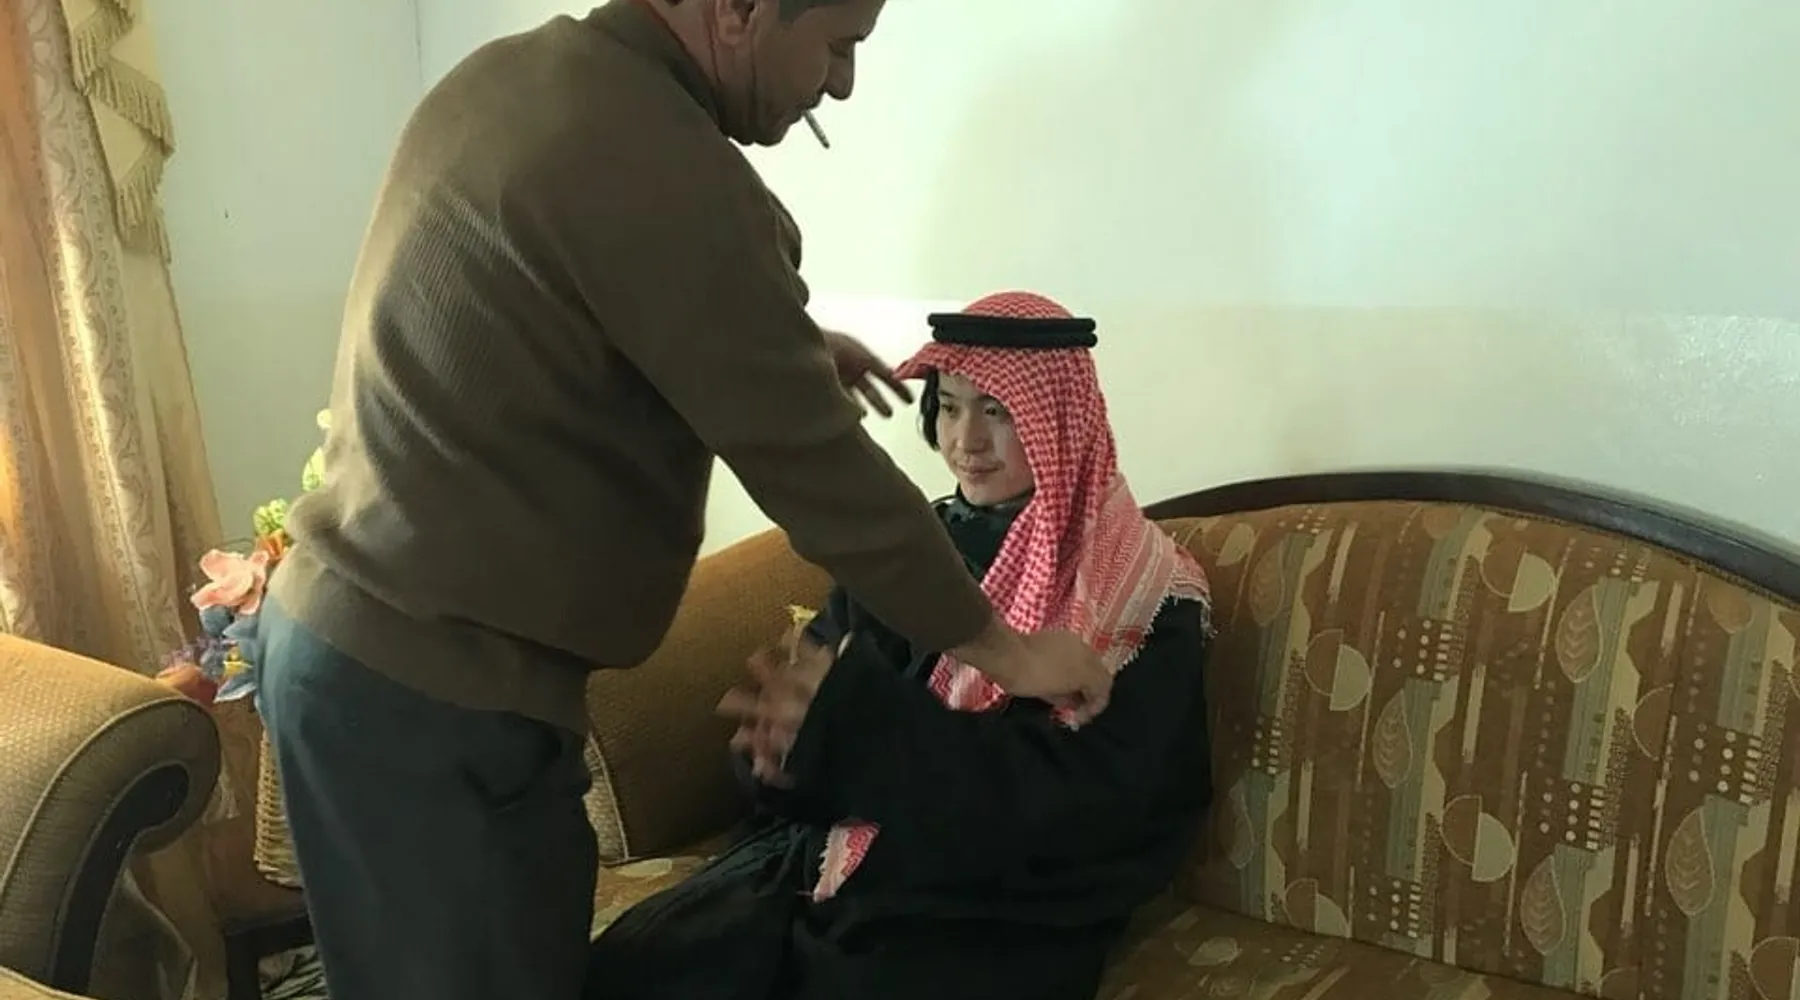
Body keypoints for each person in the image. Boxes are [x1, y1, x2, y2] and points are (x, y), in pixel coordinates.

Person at [251, 4, 1111, 1000]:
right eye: (839, 45)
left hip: (356, 654)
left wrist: (782, 347)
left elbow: (565, 308)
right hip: (430, 700)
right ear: (740, 11)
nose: (841, 85)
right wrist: (1008, 650)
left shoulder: (518, 80)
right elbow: (824, 478)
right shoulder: (655, 156)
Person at [587, 291, 1216, 1000]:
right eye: (948, 406)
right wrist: (781, 750)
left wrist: (853, 730)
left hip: (1000, 900)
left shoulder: (1142, 591)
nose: (965, 441)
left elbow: (1099, 803)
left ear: (1062, 422)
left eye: (998, 412)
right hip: (831, 862)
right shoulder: (912, 554)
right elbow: (807, 698)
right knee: (637, 965)